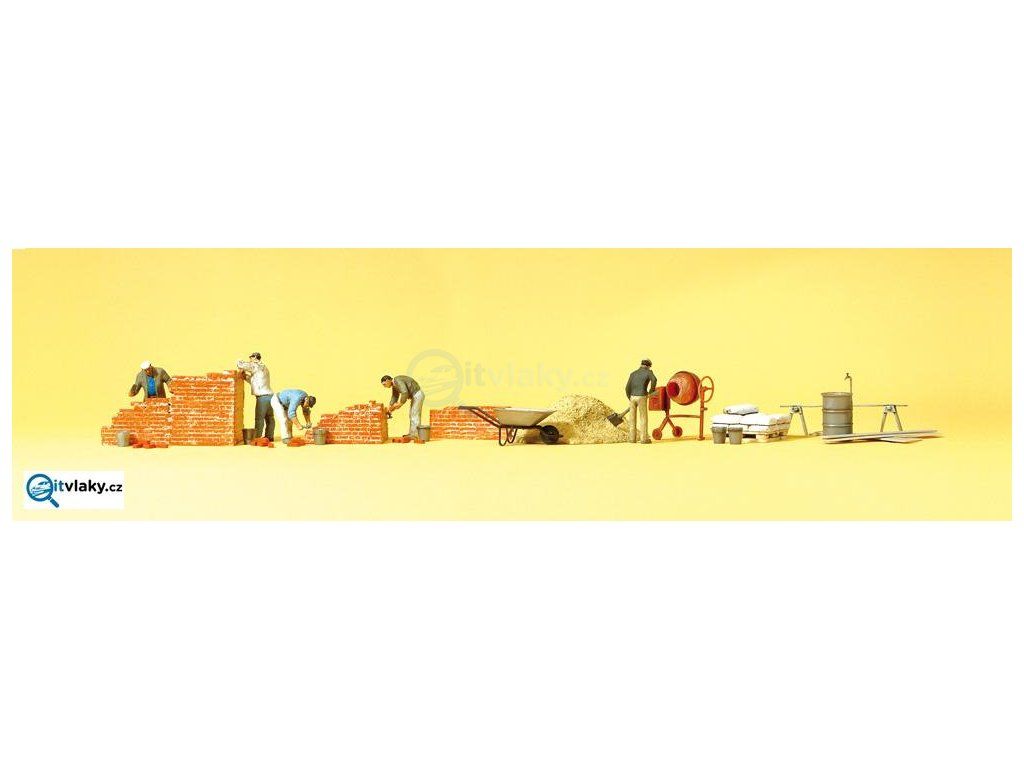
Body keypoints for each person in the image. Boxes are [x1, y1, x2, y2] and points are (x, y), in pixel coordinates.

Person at [237, 352, 274, 441]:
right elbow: (255, 381)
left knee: (259, 418)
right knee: (270, 418)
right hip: (270, 396)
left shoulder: (255, 365)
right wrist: (245, 376)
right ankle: (269, 436)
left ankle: (257, 437)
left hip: (262, 398)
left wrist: (239, 362)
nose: (250, 360)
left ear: (255, 358)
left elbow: (241, 364)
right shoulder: (263, 368)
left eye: (251, 358)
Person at [624, 358, 658, 444]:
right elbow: (654, 380)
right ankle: (644, 439)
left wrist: (630, 398)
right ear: (648, 366)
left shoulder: (633, 373)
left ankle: (632, 439)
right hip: (642, 396)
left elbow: (627, 388)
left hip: (632, 397)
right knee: (643, 418)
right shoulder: (648, 372)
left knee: (632, 419)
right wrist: (651, 391)